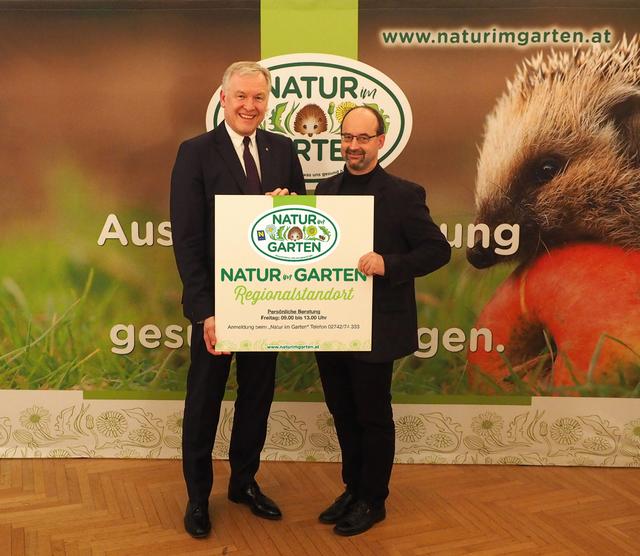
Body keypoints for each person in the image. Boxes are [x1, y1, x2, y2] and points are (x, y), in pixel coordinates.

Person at [170, 61, 306, 538]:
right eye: (241, 96)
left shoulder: (283, 150)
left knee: (257, 396)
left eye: (259, 98)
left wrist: (284, 206)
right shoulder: (195, 153)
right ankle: (197, 496)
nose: (250, 105)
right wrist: (206, 311)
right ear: (223, 98)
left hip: (265, 301)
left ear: (268, 103)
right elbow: (186, 241)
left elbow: (300, 233)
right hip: (217, 308)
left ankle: (244, 483)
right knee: (204, 399)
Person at [314, 106, 451, 536]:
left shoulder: (403, 194)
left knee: (372, 415)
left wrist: (387, 264)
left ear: (380, 141)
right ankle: (352, 489)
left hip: (376, 326)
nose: (353, 146)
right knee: (341, 410)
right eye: (347, 138)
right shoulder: (326, 188)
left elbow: (438, 251)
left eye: (363, 138)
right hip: (330, 323)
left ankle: (374, 499)